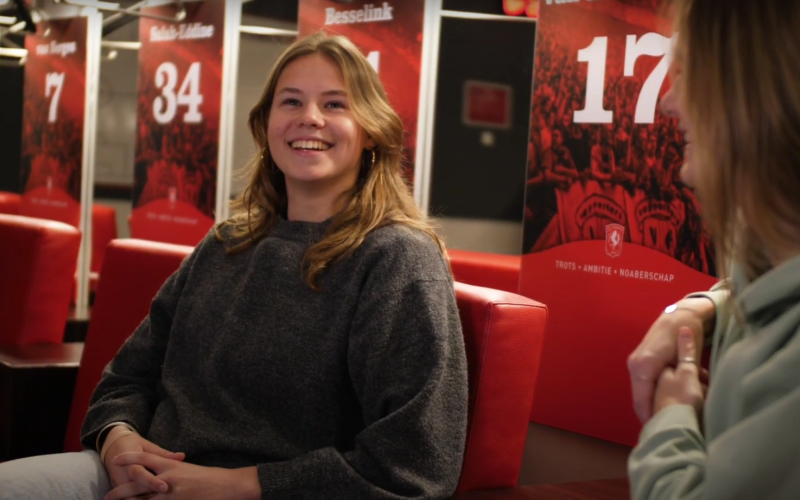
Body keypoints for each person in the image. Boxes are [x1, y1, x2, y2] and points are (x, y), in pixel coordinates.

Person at [0, 32, 468, 500]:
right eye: (291, 101)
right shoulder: (226, 243)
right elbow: (126, 378)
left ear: (371, 132)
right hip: (137, 473)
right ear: (265, 125)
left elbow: (413, 466)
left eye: (335, 105)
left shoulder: (398, 258)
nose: (309, 118)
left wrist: (233, 485)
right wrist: (119, 443)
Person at [626, 0, 800, 497]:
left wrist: (672, 419)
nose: (669, 101)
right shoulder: (770, 245)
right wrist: (703, 311)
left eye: (693, 72)